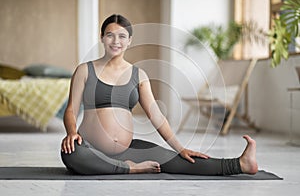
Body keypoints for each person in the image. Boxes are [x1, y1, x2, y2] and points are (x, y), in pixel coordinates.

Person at [60, 14, 258, 175]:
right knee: (71, 155)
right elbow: (71, 110)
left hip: (127, 150)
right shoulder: (85, 70)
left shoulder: (139, 75)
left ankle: (240, 164)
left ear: (129, 41)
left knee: (181, 160)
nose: (115, 41)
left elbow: (156, 115)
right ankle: (130, 169)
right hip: (90, 149)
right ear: (102, 37)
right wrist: (71, 133)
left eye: (122, 36)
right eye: (110, 35)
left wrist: (180, 148)